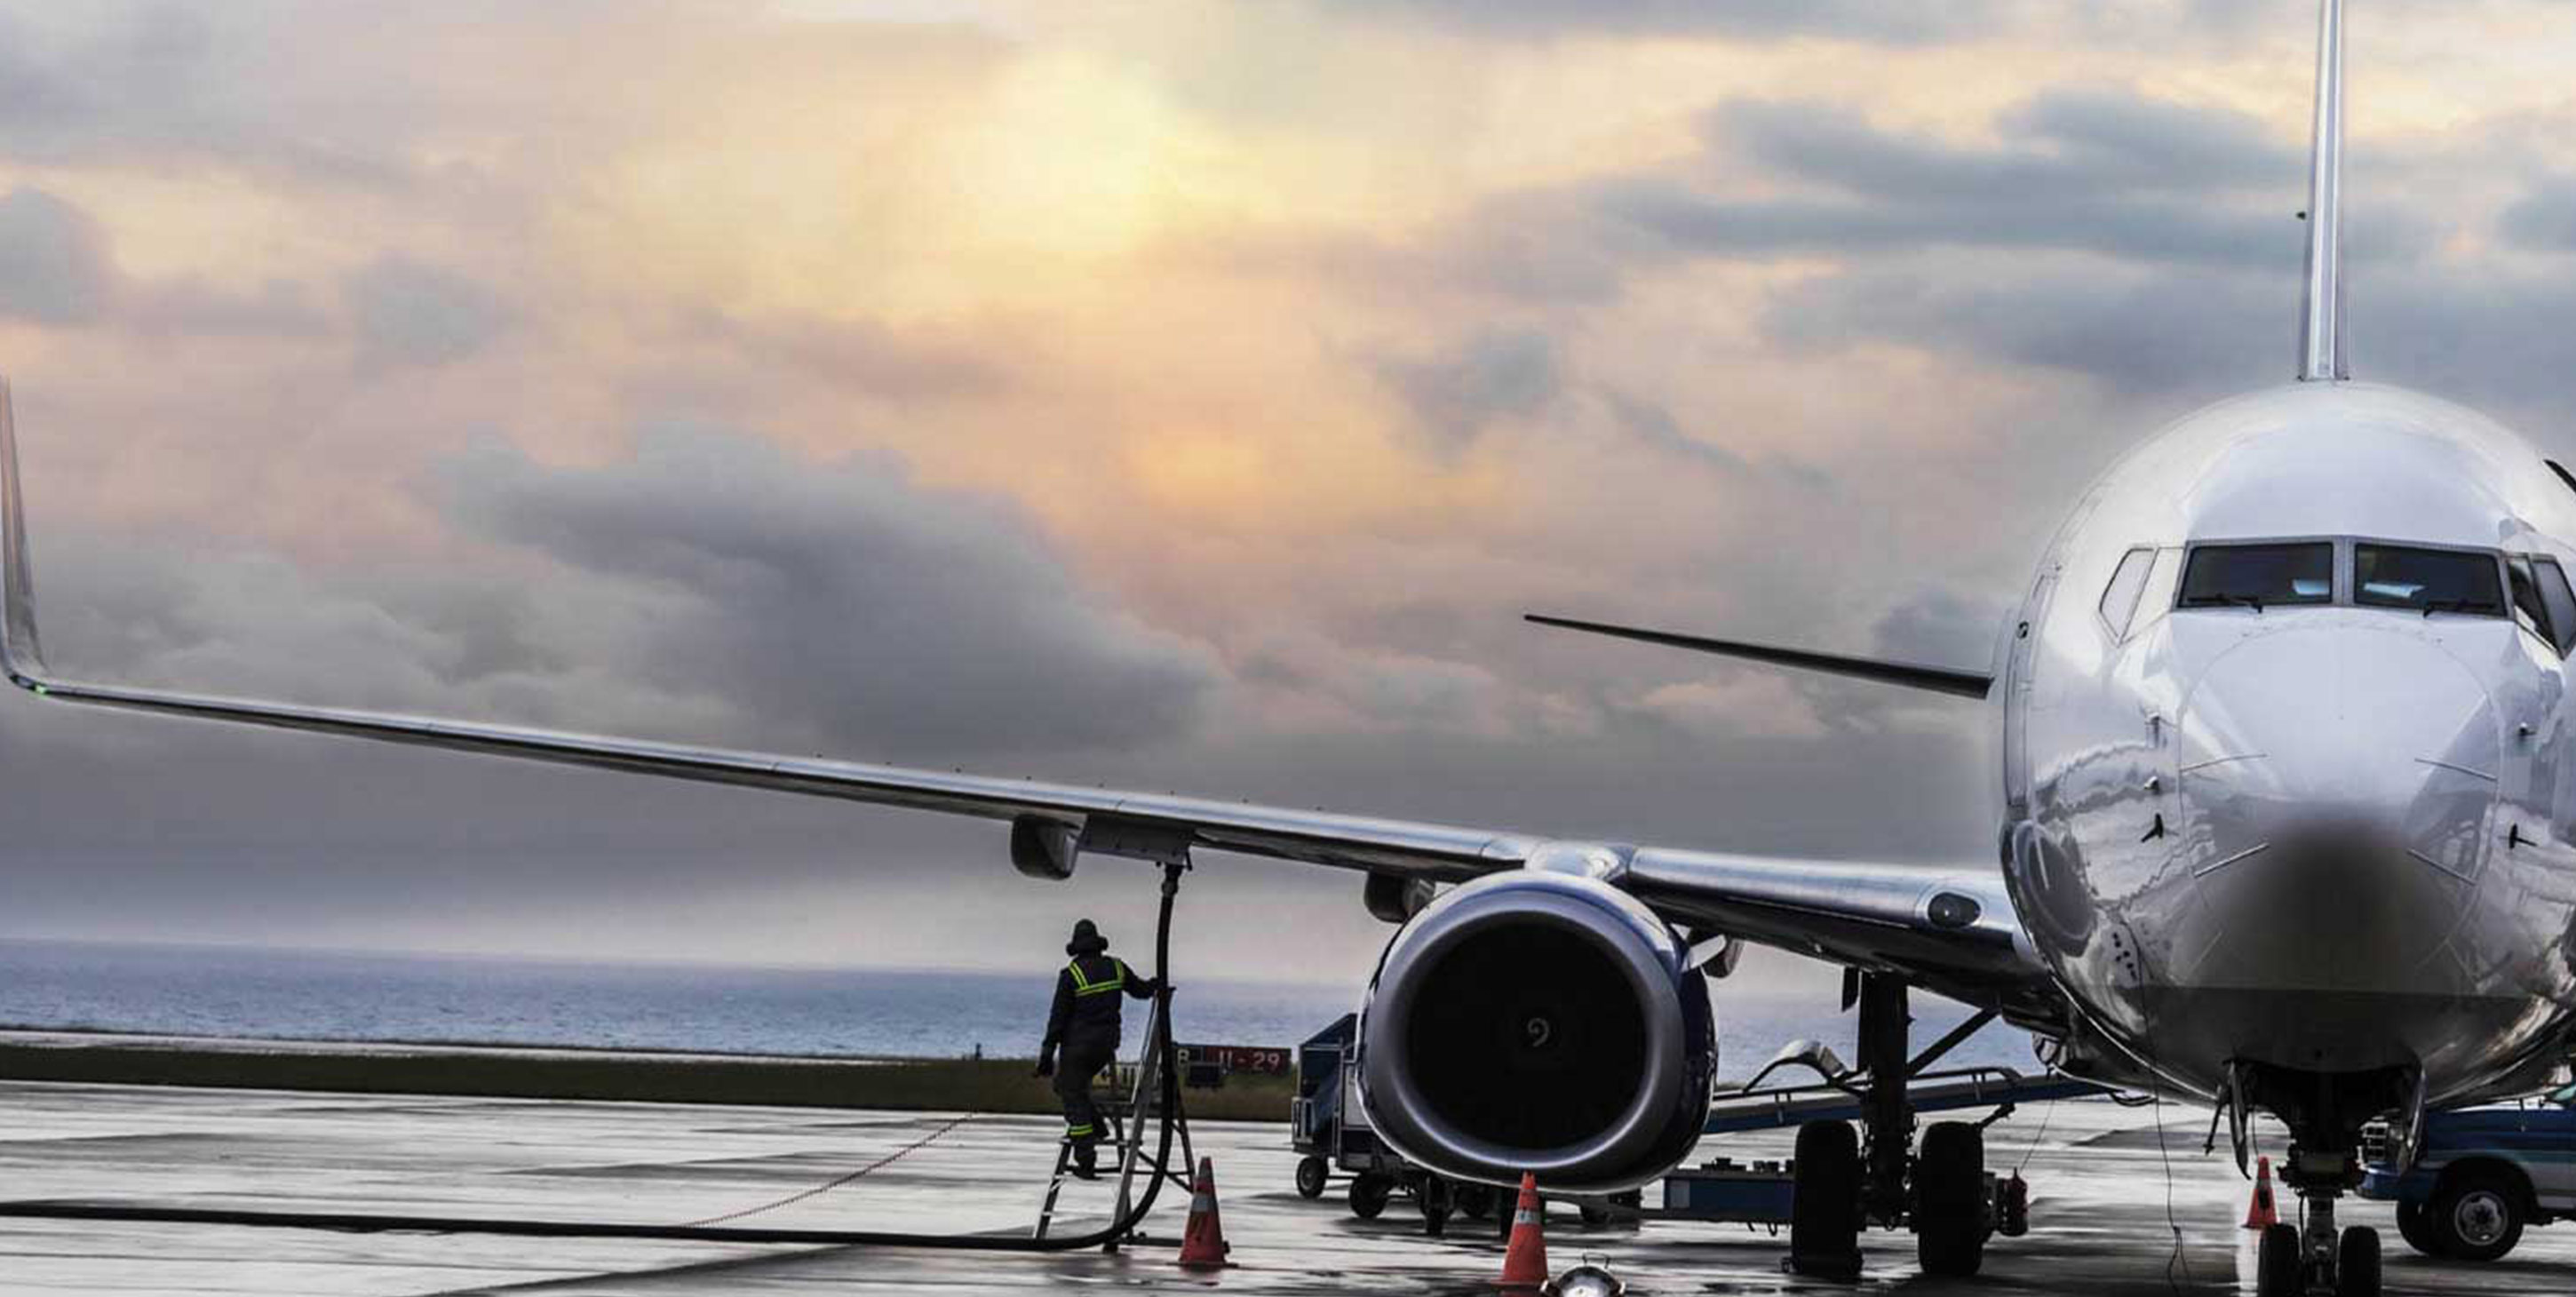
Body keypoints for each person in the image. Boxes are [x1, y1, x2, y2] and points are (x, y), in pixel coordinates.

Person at [1035, 918, 1159, 1177]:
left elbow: (1057, 1018)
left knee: (1070, 1092)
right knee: (1071, 1086)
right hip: (1107, 1045)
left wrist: (1046, 1054)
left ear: (1077, 948)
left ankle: (1086, 1157)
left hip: (1078, 1046)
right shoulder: (1117, 967)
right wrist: (1157, 984)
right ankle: (1098, 1126)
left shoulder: (1071, 975)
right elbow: (1141, 991)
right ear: (1098, 945)